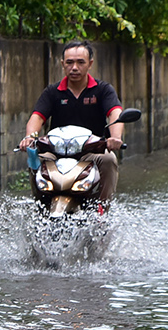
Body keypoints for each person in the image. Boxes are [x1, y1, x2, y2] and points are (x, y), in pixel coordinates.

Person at [18, 41, 127, 207]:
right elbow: (37, 117)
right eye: (69, 62)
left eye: (80, 62)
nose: (74, 67)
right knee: (37, 159)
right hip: (56, 151)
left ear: (90, 63)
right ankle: (40, 205)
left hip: (91, 151)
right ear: (62, 64)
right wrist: (29, 137)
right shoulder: (52, 92)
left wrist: (115, 137)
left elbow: (115, 113)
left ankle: (102, 209)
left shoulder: (102, 90)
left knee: (108, 160)